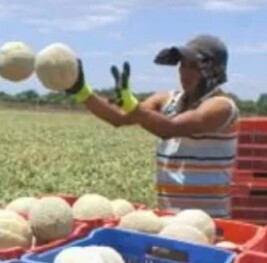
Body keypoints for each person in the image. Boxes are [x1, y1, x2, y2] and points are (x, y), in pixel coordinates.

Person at [68, 35, 238, 218]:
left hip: (209, 221)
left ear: (213, 72)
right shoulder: (167, 100)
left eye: (194, 67)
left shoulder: (221, 106)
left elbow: (169, 128)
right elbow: (119, 117)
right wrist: (82, 92)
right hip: (167, 219)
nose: (184, 73)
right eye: (183, 65)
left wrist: (132, 105)